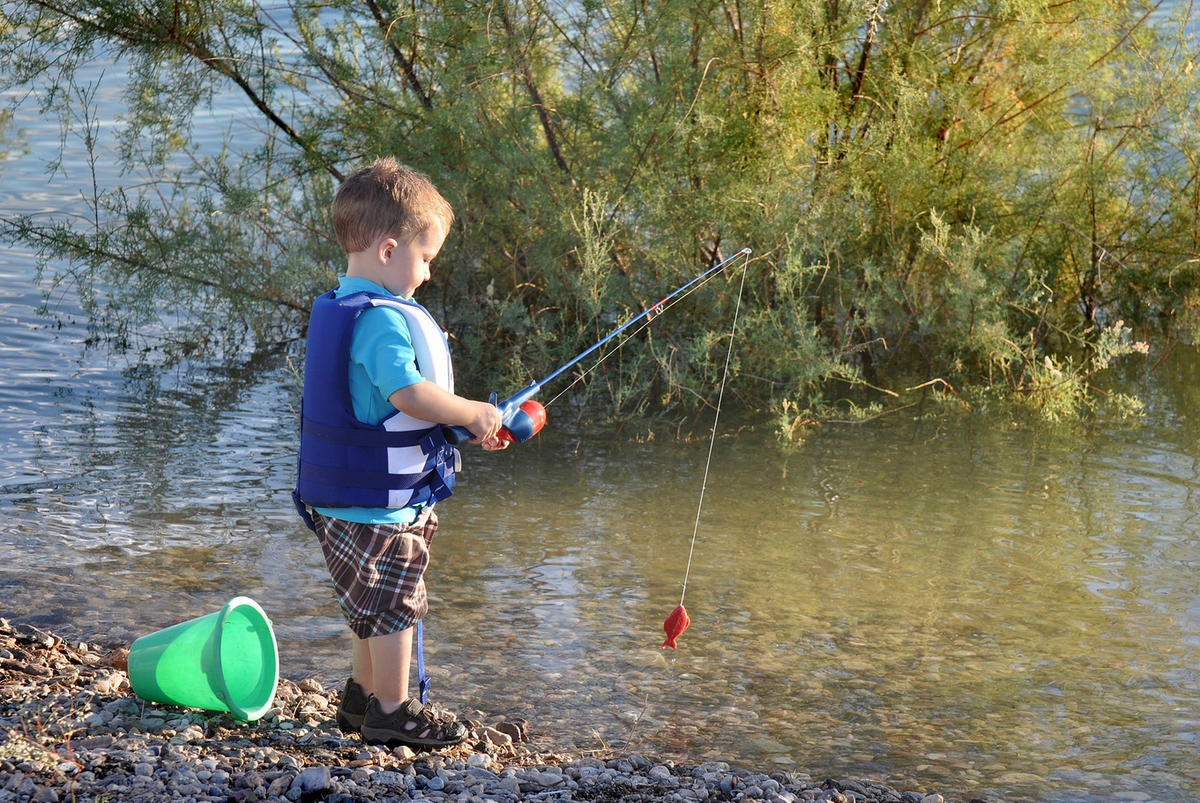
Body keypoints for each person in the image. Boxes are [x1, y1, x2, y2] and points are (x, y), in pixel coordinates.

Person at [292, 157, 504, 749]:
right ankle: (391, 711)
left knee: (369, 606)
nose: (429, 275)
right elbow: (407, 393)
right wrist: (471, 412)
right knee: (394, 608)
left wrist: (458, 426)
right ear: (389, 250)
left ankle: (359, 701)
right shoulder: (383, 322)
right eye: (427, 257)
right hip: (377, 509)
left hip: (347, 502)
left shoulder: (344, 305)